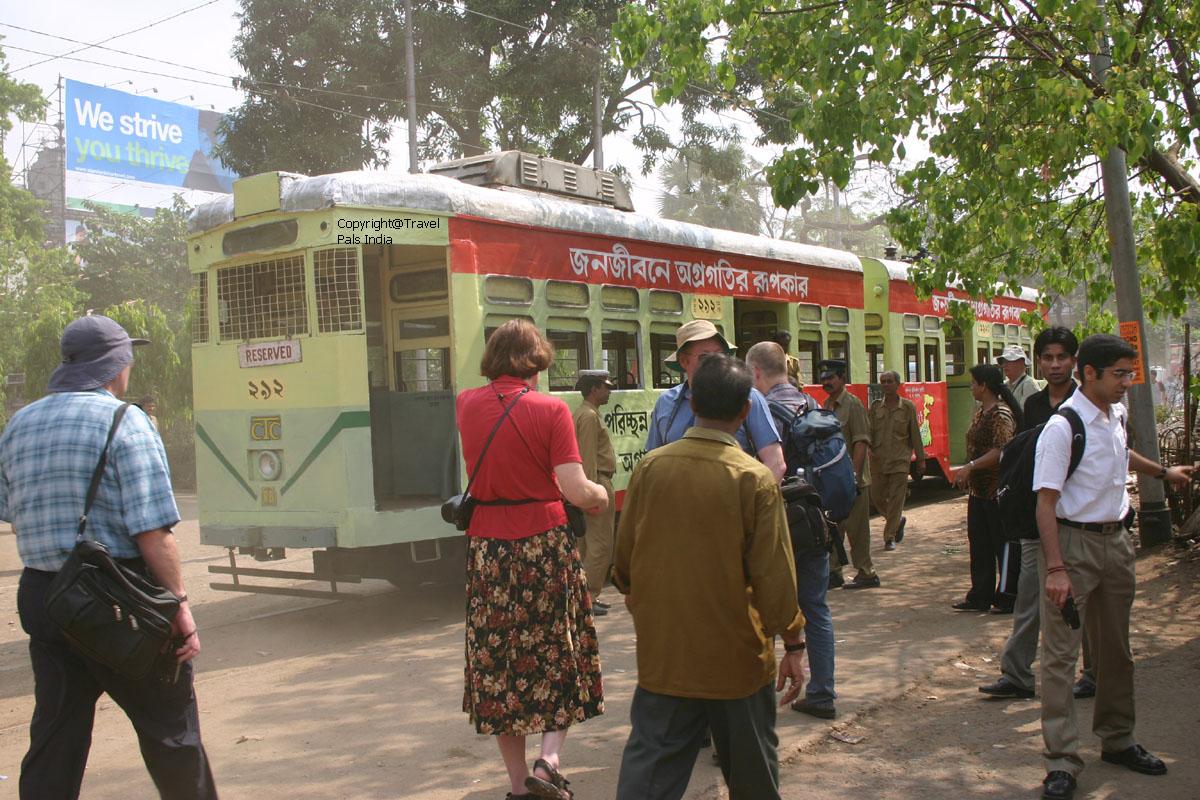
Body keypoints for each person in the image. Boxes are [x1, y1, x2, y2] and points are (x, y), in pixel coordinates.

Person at [0, 315, 216, 800]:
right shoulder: (126, 420)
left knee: (56, 735)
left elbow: (11, 510)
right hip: (122, 600)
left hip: (45, 597)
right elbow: (153, 532)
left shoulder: (20, 423)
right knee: (170, 730)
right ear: (117, 366)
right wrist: (179, 606)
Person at [613, 354, 807, 800]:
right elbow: (775, 579)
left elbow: (623, 565)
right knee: (753, 776)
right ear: (745, 412)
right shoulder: (754, 479)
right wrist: (794, 642)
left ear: (693, 403)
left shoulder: (651, 468)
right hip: (737, 663)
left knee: (647, 781)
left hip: (666, 658)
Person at [1034, 334, 1195, 800]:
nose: (1129, 382)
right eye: (1120, 374)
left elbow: (1120, 454)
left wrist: (1164, 473)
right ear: (1090, 373)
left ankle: (1119, 739)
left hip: (1117, 545)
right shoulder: (1062, 428)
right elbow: (1045, 503)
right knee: (1062, 658)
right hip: (1073, 548)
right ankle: (1061, 760)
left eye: (1130, 372)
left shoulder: (1115, 413)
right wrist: (1056, 569)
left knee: (1116, 653)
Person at [455, 319, 610, 800]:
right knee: (559, 652)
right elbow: (575, 488)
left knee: (499, 664)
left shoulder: (465, 404)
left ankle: (518, 783)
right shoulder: (551, 410)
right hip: (543, 547)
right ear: (535, 360)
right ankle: (550, 760)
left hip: (489, 553)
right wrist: (601, 496)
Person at [980, 327, 1098, 699]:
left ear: (1075, 361)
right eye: (1048, 357)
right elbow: (1027, 456)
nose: (1055, 364)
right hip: (1038, 518)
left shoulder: (1089, 401)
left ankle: (1093, 673)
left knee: (1084, 601)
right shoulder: (1033, 405)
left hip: (1079, 520)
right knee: (1028, 596)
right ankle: (1017, 674)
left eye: (1062, 357)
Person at [747, 341, 838, 720]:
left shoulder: (760, 410)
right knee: (815, 606)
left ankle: (759, 701)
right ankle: (823, 693)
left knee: (764, 607)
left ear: (755, 374)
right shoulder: (813, 405)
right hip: (814, 521)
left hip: (776, 524)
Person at [646, 319, 785, 481]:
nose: (714, 363)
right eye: (705, 357)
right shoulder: (665, 403)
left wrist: (751, 501)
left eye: (719, 355)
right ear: (684, 361)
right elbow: (652, 463)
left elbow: (775, 464)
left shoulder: (746, 396)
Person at [952, 363, 1023, 612]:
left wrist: (971, 466)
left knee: (1001, 544)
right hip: (979, 491)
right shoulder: (981, 412)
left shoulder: (1000, 414)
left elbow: (1002, 450)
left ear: (984, 386)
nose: (970, 387)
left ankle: (1007, 596)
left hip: (997, 491)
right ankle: (980, 595)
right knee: (980, 545)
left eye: (973, 383)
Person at [819, 359, 878, 589]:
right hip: (834, 482)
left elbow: (861, 441)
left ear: (842, 379)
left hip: (853, 481)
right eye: (823, 379)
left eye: (831, 378)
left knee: (857, 530)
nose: (827, 382)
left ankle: (867, 573)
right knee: (834, 528)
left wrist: (853, 475)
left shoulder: (853, 405)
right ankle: (834, 572)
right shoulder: (826, 405)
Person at [572, 369, 618, 616]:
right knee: (600, 544)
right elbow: (587, 458)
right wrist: (590, 493)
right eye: (605, 387)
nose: (608, 391)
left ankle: (584, 597)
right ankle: (587, 597)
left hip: (595, 482)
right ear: (594, 390)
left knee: (587, 546)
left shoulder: (585, 413)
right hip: (598, 482)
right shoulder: (589, 416)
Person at [868, 370, 926, 551]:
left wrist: (921, 460)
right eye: (883, 381)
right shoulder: (876, 407)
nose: (885, 384)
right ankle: (897, 520)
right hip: (878, 460)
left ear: (897, 384)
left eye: (889, 381)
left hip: (900, 460)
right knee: (876, 496)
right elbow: (869, 432)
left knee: (896, 499)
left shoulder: (907, 407)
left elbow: (915, 434)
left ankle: (889, 537)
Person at [997, 345, 1041, 409]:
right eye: (1003, 362)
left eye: (1009, 361)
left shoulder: (1029, 384)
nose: (1004, 365)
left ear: (1021, 362)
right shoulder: (1006, 384)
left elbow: (1025, 412)